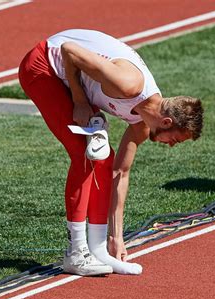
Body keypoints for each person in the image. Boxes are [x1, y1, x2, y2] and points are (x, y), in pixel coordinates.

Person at [18, 29, 203, 276]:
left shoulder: (140, 124)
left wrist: (116, 236)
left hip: (68, 76)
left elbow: (120, 172)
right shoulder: (129, 85)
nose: (171, 145)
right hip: (43, 67)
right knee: (83, 154)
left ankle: (98, 249)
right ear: (167, 122)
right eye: (176, 141)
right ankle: (75, 252)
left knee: (103, 158)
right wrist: (80, 102)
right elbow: (69, 51)